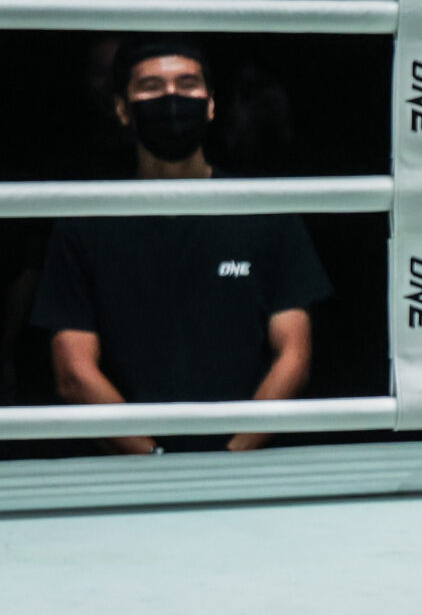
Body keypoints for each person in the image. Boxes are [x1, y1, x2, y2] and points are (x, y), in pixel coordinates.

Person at [30, 36, 330, 454]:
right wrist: (155, 463)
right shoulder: (85, 222)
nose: (172, 98)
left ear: (211, 104)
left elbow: (294, 356)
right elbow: (73, 371)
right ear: (122, 108)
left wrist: (231, 458)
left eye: (187, 84)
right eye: (151, 87)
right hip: (129, 472)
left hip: (246, 468)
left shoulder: (266, 212)